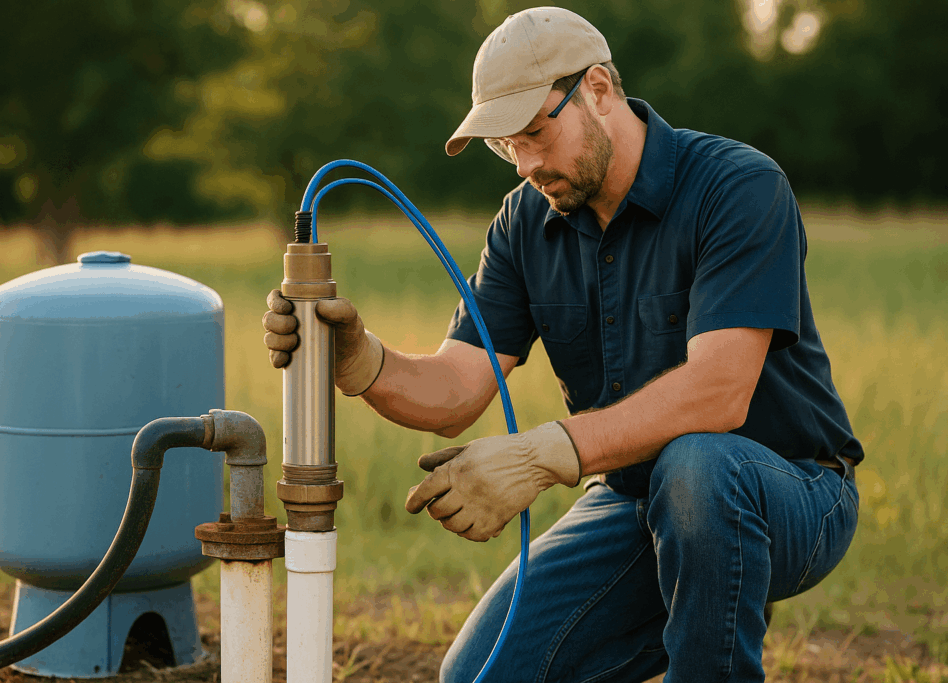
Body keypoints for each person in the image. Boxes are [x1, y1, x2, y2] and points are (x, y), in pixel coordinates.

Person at [263, 6, 863, 682]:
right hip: (634, 500)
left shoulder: (738, 187)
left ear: (599, 90)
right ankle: (696, 605)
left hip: (789, 492)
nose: (524, 164)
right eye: (504, 145)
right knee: (477, 675)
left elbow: (719, 392)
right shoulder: (524, 224)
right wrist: (358, 358)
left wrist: (545, 453)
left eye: (534, 132)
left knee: (698, 468)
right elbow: (458, 387)